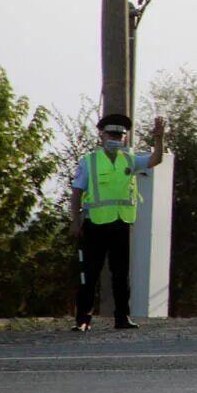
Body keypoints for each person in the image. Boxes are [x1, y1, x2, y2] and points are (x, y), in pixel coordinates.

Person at [69, 113, 165, 331]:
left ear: (125, 137)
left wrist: (159, 139)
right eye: (112, 134)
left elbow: (155, 160)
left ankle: (122, 317)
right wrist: (75, 221)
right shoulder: (90, 161)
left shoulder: (129, 158)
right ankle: (83, 319)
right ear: (101, 135)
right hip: (95, 224)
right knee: (89, 275)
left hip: (121, 223)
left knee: (121, 274)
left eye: (120, 135)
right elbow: (76, 192)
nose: (116, 138)